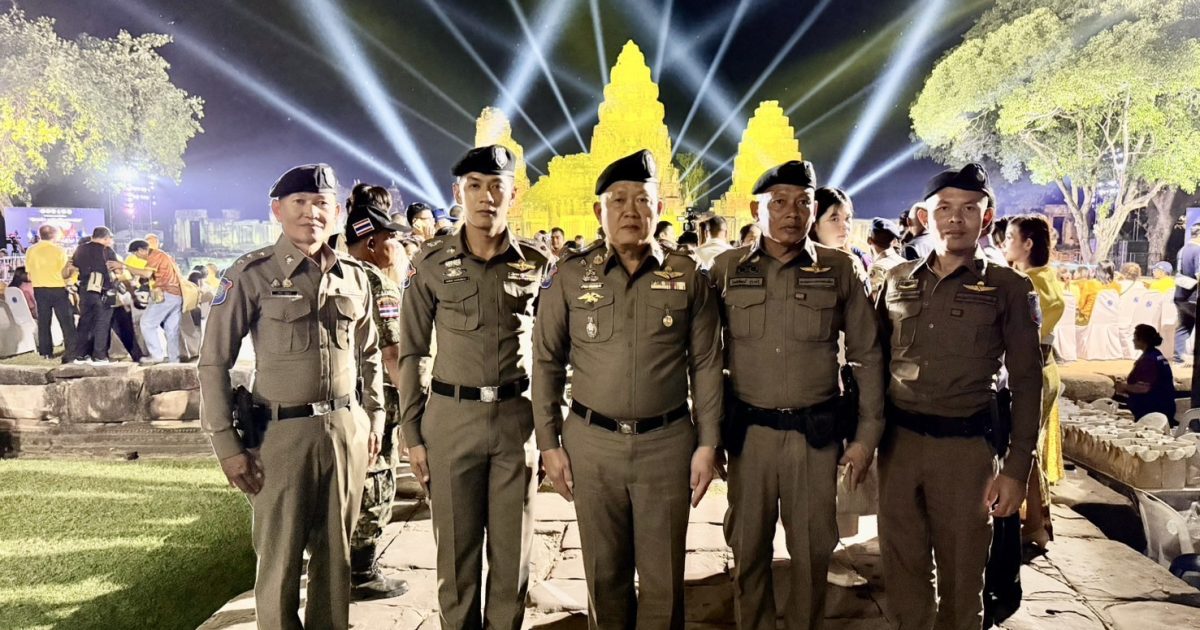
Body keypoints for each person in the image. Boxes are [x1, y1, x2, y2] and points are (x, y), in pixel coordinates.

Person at [533, 149, 722, 629]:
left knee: (664, 582)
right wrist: (549, 444)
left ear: (660, 207)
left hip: (666, 446)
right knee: (604, 577)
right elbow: (547, 362)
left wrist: (707, 444)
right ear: (599, 211)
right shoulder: (571, 275)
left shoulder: (687, 276)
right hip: (592, 446)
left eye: (642, 199)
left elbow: (705, 364)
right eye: (618, 200)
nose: (630, 211)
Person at [198, 163, 386, 630]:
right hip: (279, 435)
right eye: (299, 202)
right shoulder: (251, 274)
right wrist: (226, 445)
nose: (311, 213)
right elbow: (213, 362)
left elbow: (370, 355)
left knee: (336, 559)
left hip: (345, 432)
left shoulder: (355, 276)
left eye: (321, 203)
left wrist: (374, 419)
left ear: (337, 213)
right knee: (279, 560)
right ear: (277, 211)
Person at [709, 160, 884, 629]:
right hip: (750, 439)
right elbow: (704, 360)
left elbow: (867, 357)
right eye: (779, 202)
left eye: (803, 202)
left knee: (812, 553)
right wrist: (708, 437)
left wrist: (866, 436)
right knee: (748, 551)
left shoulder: (840, 268)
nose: (792, 212)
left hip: (814, 438)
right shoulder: (725, 270)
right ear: (756, 209)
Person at [875, 163, 1042, 629]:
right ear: (924, 217)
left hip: (965, 453)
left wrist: (1016, 470)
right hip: (899, 447)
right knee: (903, 578)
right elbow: (873, 364)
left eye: (969, 209)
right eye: (944, 208)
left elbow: (1028, 381)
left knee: (963, 583)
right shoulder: (896, 280)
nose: (955, 218)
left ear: (986, 219)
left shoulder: (1009, 288)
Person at [398, 145, 551, 630]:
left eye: (496, 187)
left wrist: (551, 433)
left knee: (512, 560)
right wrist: (412, 432)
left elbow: (552, 356)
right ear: (458, 192)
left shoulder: (537, 264)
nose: (486, 197)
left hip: (515, 421)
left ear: (513, 193)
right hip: (451, 420)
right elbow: (412, 352)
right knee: (457, 562)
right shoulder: (430, 262)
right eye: (475, 186)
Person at [343, 192, 411, 601]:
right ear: (371, 242)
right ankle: (362, 572)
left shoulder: (334, 271)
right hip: (377, 401)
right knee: (376, 475)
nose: (397, 246)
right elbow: (392, 353)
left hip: (341, 399)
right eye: (392, 238)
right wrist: (416, 406)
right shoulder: (378, 283)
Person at [1003, 214, 1066, 549]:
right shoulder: (1048, 277)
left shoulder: (1026, 284)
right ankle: (1036, 522)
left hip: (1030, 372)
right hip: (1047, 368)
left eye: (1010, 237)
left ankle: (1035, 524)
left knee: (1022, 449)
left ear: (1027, 244)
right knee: (1030, 447)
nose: (1004, 243)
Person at [115, 239, 183, 364]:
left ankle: (156, 355)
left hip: (165, 294)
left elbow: (146, 274)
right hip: (176, 295)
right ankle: (174, 360)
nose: (136, 257)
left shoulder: (155, 256)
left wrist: (124, 266)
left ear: (141, 250)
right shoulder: (164, 255)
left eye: (135, 254)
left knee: (147, 323)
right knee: (171, 329)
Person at [70, 226, 121, 365]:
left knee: (84, 322)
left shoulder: (80, 249)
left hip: (84, 289)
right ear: (106, 238)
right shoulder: (107, 250)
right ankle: (99, 356)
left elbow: (75, 266)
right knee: (102, 323)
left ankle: (80, 355)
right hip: (103, 290)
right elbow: (117, 271)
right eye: (109, 239)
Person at [25, 224, 77, 361]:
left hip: (39, 288)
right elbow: (65, 271)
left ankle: (45, 352)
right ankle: (72, 349)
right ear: (54, 235)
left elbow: (28, 273)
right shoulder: (59, 250)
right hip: (58, 288)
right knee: (66, 321)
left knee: (43, 321)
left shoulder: (31, 250)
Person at [1122, 324, 1178, 426]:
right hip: (1162, 407)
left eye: (1135, 337)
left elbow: (1144, 388)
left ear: (1142, 340)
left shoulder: (1149, 360)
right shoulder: (1156, 355)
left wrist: (1124, 387)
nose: (1133, 340)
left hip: (1153, 411)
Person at [810, 186, 870, 269]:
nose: (845, 226)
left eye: (847, 218)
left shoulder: (861, 260)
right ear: (814, 224)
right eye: (835, 219)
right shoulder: (798, 264)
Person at [1176, 223, 1200, 363]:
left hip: (1181, 294)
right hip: (1193, 296)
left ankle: (1178, 357)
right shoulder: (1198, 250)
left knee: (1184, 326)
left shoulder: (1182, 249)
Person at [866, 218, 904, 300]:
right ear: (894, 241)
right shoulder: (905, 263)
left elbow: (874, 301)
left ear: (869, 240)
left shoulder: (878, 268)